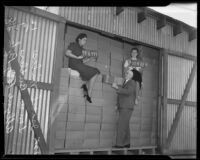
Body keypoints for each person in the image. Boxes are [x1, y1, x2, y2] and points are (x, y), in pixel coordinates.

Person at [65, 33, 100, 103]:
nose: (85, 42)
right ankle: (89, 94)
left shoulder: (83, 50)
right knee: (95, 71)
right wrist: (77, 57)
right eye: (84, 40)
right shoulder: (73, 44)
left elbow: (82, 61)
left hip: (79, 65)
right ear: (79, 39)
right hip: (74, 64)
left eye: (86, 40)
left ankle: (86, 90)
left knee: (95, 71)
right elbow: (67, 53)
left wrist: (89, 59)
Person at [112, 69, 142, 148]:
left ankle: (119, 144)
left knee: (121, 125)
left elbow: (128, 92)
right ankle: (126, 143)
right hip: (124, 106)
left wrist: (116, 87)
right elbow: (122, 94)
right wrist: (117, 104)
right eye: (127, 72)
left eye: (128, 72)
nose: (126, 73)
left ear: (132, 75)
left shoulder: (132, 82)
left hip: (126, 106)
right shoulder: (126, 82)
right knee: (125, 125)